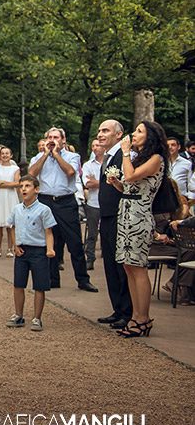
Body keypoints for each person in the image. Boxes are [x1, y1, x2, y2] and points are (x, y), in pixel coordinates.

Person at [110, 121, 168, 338]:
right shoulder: (141, 158)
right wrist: (116, 183)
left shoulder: (156, 159)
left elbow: (133, 176)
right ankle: (135, 315)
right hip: (125, 214)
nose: (134, 134)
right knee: (128, 266)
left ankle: (143, 318)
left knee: (138, 266)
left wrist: (125, 153)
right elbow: (128, 184)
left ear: (151, 136)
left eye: (139, 131)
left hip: (139, 217)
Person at [28, 127, 97, 293]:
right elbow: (31, 174)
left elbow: (70, 172)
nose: (52, 140)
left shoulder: (73, 156)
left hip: (65, 202)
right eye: (49, 137)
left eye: (56, 137)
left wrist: (57, 154)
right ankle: (52, 279)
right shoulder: (39, 156)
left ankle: (83, 279)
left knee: (74, 242)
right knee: (49, 241)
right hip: (45, 201)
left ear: (63, 140)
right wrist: (46, 154)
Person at [5, 175, 57, 332]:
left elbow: (49, 231)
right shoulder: (16, 209)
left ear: (37, 190)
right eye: (22, 186)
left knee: (39, 286)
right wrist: (15, 245)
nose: (23, 189)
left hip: (39, 251)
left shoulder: (44, 210)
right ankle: (19, 315)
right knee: (18, 284)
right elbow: (11, 226)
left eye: (27, 186)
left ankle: (37, 318)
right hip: (22, 251)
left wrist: (49, 248)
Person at [95, 119, 133, 329]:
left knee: (120, 265)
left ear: (118, 135)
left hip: (120, 215)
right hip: (107, 215)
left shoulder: (123, 155)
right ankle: (117, 308)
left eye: (105, 130)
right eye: (99, 130)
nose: (100, 134)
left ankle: (127, 312)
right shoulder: (107, 156)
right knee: (109, 263)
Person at [81, 139, 106, 271]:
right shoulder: (88, 165)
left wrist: (96, 182)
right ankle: (90, 258)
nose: (95, 148)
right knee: (92, 233)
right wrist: (105, 183)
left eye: (98, 145)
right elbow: (87, 184)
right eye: (93, 146)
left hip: (108, 203)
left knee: (108, 232)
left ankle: (108, 257)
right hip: (93, 203)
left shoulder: (110, 162)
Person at [167, 137, 194, 201]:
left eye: (173, 145)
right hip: (165, 199)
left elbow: (191, 183)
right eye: (167, 145)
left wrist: (188, 199)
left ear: (178, 147)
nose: (170, 147)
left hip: (181, 199)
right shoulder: (161, 163)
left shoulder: (187, 163)